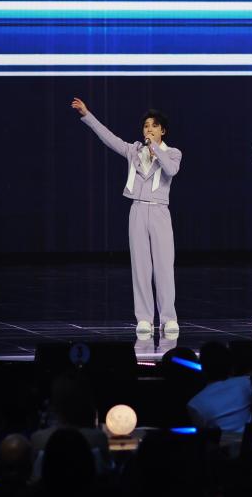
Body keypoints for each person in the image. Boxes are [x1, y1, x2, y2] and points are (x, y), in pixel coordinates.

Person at [71, 98, 180, 334]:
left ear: (163, 130)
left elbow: (171, 170)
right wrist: (87, 115)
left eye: (154, 126)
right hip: (137, 210)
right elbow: (109, 138)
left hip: (160, 211)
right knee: (140, 267)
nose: (149, 129)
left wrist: (155, 149)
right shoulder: (134, 151)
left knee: (163, 266)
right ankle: (144, 318)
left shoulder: (173, 153)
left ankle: (168, 317)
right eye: (146, 126)